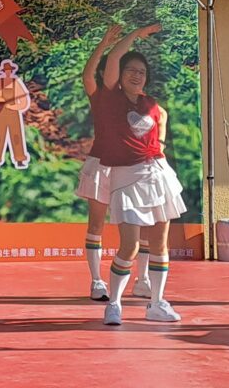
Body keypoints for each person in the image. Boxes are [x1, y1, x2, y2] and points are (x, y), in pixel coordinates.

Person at [98, 24, 187, 326]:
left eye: (141, 72)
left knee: (160, 243)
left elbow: (162, 119)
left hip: (157, 175)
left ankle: (157, 303)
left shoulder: (150, 104)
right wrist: (134, 36)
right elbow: (113, 58)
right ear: (120, 75)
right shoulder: (111, 98)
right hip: (126, 178)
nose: (137, 76)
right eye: (131, 71)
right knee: (130, 245)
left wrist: (160, 144)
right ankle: (114, 303)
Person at [74, 25, 119, 301]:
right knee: (96, 226)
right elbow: (87, 75)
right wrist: (104, 43)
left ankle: (142, 280)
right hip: (101, 166)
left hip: (130, 169)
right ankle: (97, 281)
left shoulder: (137, 100)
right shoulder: (100, 96)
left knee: (135, 227)